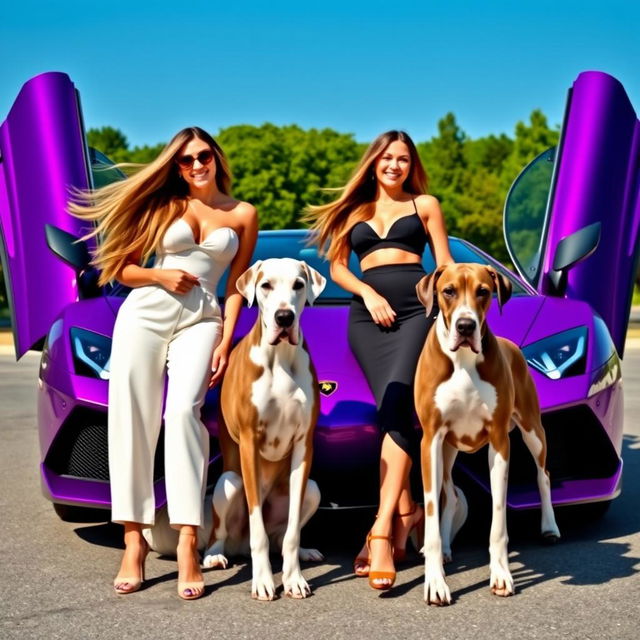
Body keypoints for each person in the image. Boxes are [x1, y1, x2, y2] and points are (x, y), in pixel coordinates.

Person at [70, 127, 258, 599]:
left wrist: (224, 340)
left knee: (181, 414)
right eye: (185, 160)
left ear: (216, 157)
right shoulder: (161, 207)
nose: (196, 165)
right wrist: (159, 273)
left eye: (203, 156)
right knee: (132, 420)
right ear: (175, 166)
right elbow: (122, 268)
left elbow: (235, 285)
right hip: (145, 315)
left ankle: (189, 541)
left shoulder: (242, 214)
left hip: (203, 320)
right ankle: (133, 542)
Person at [305, 130, 453, 590]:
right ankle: (406, 513)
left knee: (397, 402)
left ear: (412, 165)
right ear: (374, 163)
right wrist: (367, 292)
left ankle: (382, 529)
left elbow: (445, 262)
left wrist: (457, 307)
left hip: (415, 313)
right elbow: (338, 268)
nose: (395, 165)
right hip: (367, 318)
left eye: (403, 159)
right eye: (387, 157)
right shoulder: (354, 212)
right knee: (395, 415)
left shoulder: (424, 205)